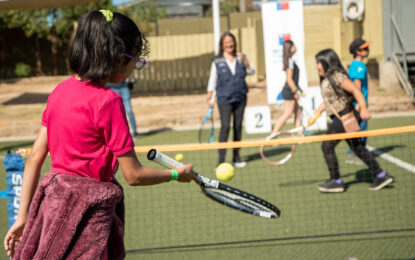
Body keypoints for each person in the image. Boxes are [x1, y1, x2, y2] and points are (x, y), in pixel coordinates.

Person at [3, 10, 196, 259]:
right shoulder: (109, 102)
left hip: (51, 208)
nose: (135, 67)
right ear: (118, 59)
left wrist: (23, 217)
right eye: (135, 60)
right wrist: (175, 174)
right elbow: (134, 175)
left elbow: (34, 158)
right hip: (87, 219)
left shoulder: (59, 91)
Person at [308, 48, 393, 193]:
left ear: (326, 62)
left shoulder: (337, 76)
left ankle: (336, 181)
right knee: (358, 148)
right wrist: (317, 112)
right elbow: (331, 100)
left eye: (318, 62)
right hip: (342, 117)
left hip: (346, 117)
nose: (316, 66)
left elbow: (356, 91)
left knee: (326, 146)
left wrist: (364, 108)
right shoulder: (327, 78)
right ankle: (381, 174)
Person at [206, 31, 255, 168]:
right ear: (222, 45)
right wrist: (210, 97)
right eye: (226, 42)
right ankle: (221, 161)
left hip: (241, 96)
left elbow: (252, 71)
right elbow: (212, 80)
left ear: (234, 43)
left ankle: (236, 157)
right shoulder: (217, 61)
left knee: (238, 127)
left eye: (231, 42)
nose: (229, 44)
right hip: (224, 98)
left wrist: (245, 60)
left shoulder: (241, 58)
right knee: (225, 126)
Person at [345, 38, 371, 165]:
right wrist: (361, 105)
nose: (367, 50)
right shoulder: (358, 66)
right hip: (359, 105)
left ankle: (356, 153)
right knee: (360, 131)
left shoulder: (356, 65)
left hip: (359, 104)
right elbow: (357, 87)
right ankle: (353, 154)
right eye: (364, 48)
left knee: (360, 130)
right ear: (357, 51)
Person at [271, 40, 302, 136]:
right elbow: (289, 79)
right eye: (294, 46)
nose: (295, 47)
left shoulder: (290, 60)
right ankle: (273, 135)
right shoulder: (290, 61)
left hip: (292, 90)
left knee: (298, 112)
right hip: (289, 91)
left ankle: (300, 135)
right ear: (291, 48)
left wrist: (298, 89)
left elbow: (293, 79)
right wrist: (295, 91)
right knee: (288, 114)